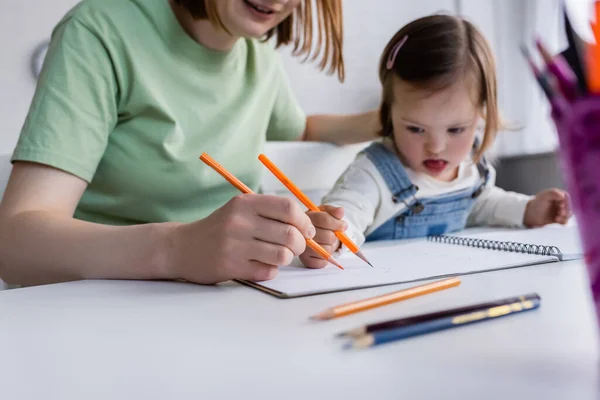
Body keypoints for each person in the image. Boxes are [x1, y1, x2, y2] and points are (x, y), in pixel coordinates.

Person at [0, 0, 377, 286]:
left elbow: (301, 129)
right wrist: (176, 248)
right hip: (107, 303)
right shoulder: (101, 28)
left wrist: (399, 120)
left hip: (233, 300)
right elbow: (15, 245)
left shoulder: (257, 51)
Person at [300, 14, 571, 269]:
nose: (436, 147)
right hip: (390, 297)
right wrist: (331, 236)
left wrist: (527, 210)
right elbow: (352, 208)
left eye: (456, 130)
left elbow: (482, 205)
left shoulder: (470, 166)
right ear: (389, 114)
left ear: (481, 115)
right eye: (416, 129)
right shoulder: (373, 172)